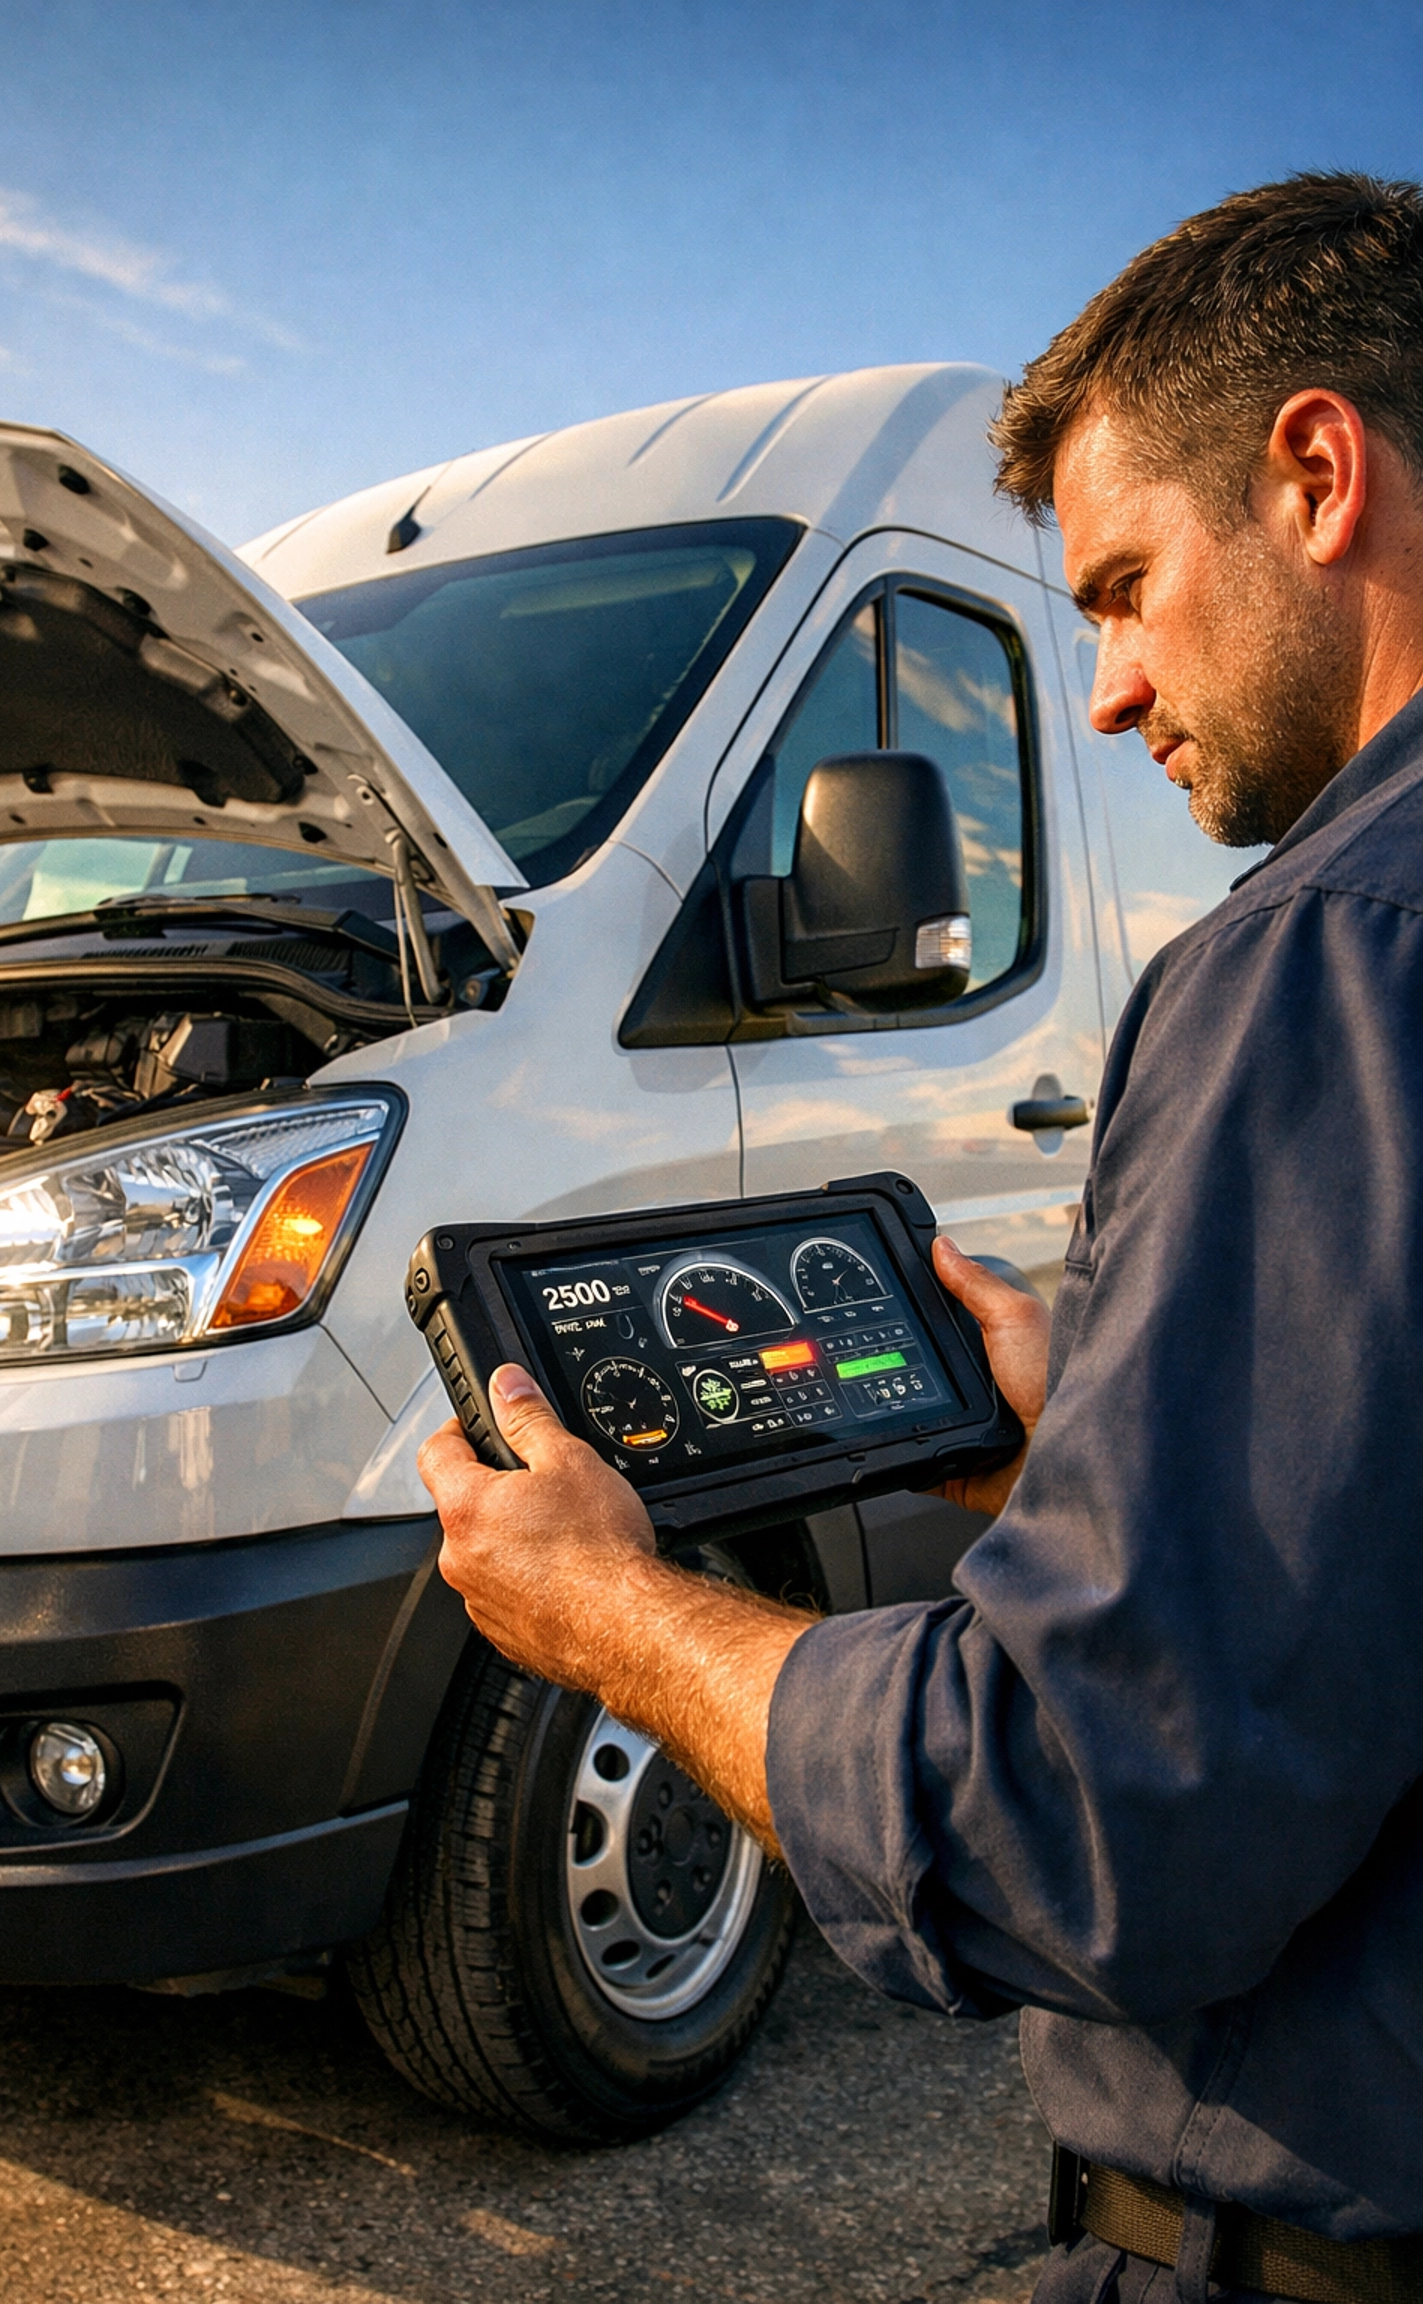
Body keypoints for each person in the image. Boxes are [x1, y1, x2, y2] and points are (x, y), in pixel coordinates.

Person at [418, 172, 1423, 2304]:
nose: (1107, 697)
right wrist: (1106, 1456)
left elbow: (1088, 1809)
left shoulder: (1331, 955)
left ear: (1319, 476)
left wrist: (618, 1618)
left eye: (1130, 588)